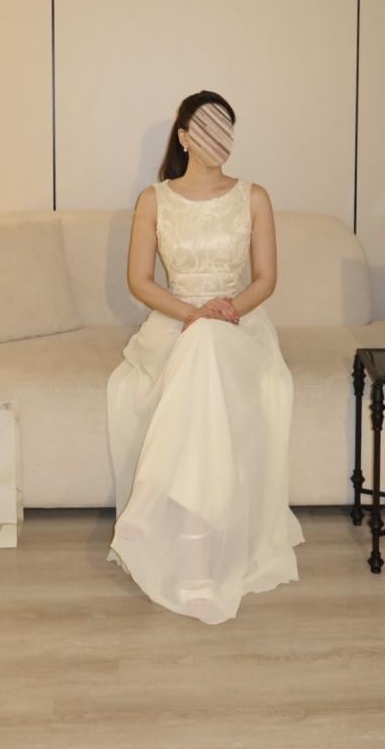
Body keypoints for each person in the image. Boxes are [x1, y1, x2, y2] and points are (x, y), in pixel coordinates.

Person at [106, 90, 305, 624]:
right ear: (185, 137)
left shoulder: (254, 196)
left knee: (209, 343)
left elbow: (266, 279)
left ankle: (170, 518)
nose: (219, 137)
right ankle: (192, 547)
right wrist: (194, 313)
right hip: (174, 320)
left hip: (239, 323)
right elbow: (139, 281)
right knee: (199, 343)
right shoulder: (153, 200)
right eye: (207, 127)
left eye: (226, 127)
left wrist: (224, 312)